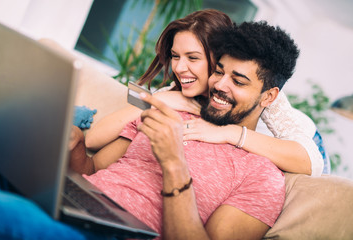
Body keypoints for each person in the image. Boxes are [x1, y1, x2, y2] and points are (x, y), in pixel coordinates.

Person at [0, 20, 297, 239]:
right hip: (76, 209)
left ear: (268, 96)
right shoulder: (171, 111)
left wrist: (174, 163)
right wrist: (73, 145)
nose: (220, 85)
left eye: (239, 81)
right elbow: (94, 168)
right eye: (219, 71)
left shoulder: (263, 176)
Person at [84, 9, 326, 176]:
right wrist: (160, 99)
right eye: (176, 56)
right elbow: (94, 139)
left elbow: (312, 162)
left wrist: (229, 133)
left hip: (310, 143)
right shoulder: (182, 91)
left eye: (193, 58)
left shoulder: (263, 98)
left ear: (217, 57)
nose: (179, 67)